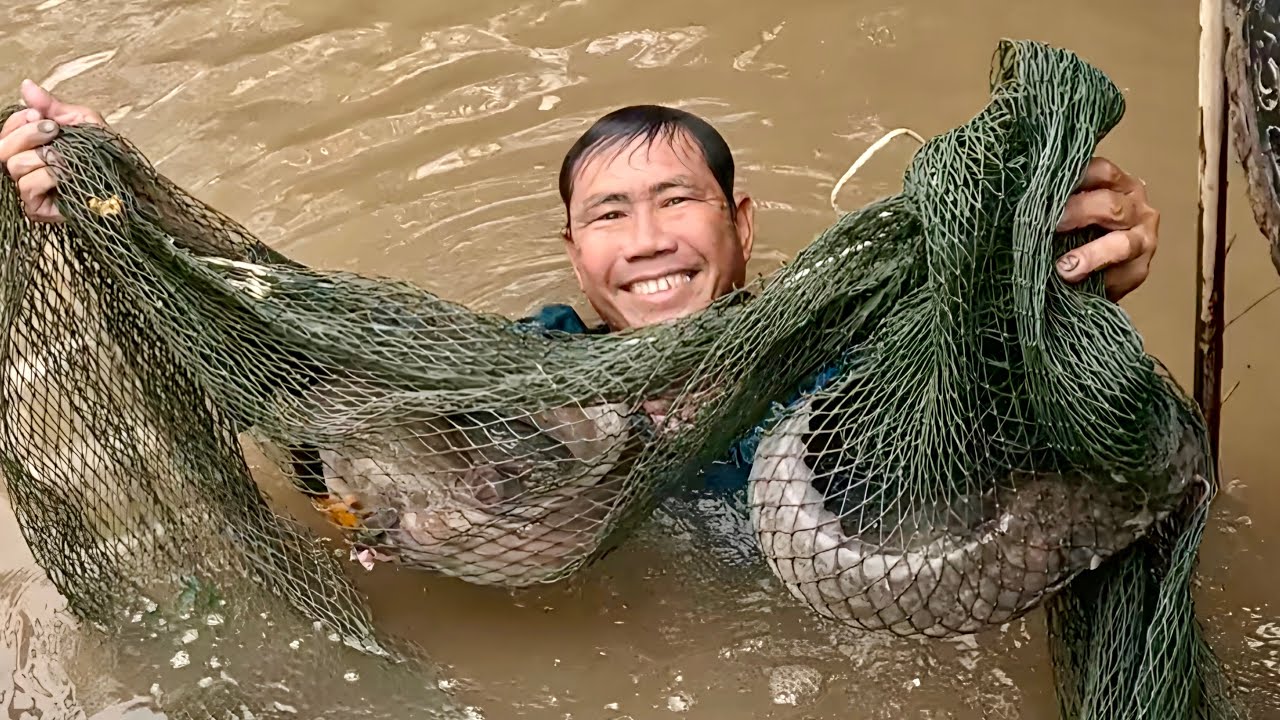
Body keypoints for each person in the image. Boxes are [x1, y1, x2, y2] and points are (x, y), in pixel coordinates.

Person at [0, 80, 1160, 490]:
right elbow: (308, 390)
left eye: (676, 202)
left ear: (740, 223)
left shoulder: (842, 347)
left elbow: (989, 381)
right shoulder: (532, 362)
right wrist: (120, 208)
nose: (645, 241)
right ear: (573, 252)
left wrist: (1078, 273)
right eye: (608, 215)